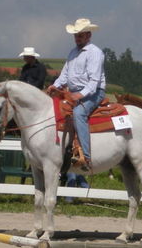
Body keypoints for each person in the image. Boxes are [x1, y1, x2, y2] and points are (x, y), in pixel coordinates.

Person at [47, 18, 106, 171]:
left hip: (93, 93)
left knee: (79, 113)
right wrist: (56, 85)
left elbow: (94, 81)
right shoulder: (73, 52)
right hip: (74, 93)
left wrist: (80, 95)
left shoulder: (95, 53)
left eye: (80, 35)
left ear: (88, 35)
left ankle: (86, 157)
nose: (77, 38)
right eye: (75, 35)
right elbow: (65, 74)